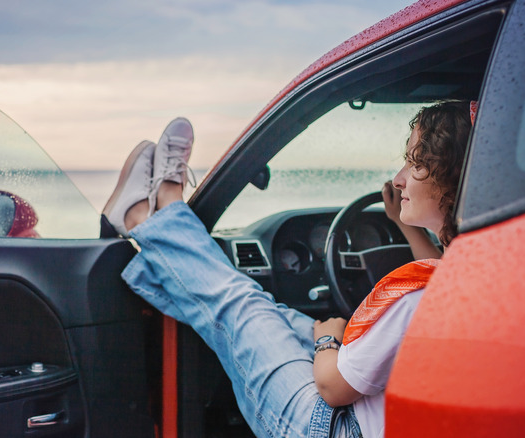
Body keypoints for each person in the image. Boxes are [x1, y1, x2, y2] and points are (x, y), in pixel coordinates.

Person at [103, 100, 473, 438]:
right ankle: (156, 239)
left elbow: (332, 387)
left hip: (329, 426)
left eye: (416, 164)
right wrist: (406, 227)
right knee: (270, 313)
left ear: (457, 180)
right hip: (365, 415)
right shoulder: (474, 274)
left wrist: (328, 340)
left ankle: (150, 214)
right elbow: (441, 271)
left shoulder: (417, 299)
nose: (398, 178)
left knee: (241, 305)